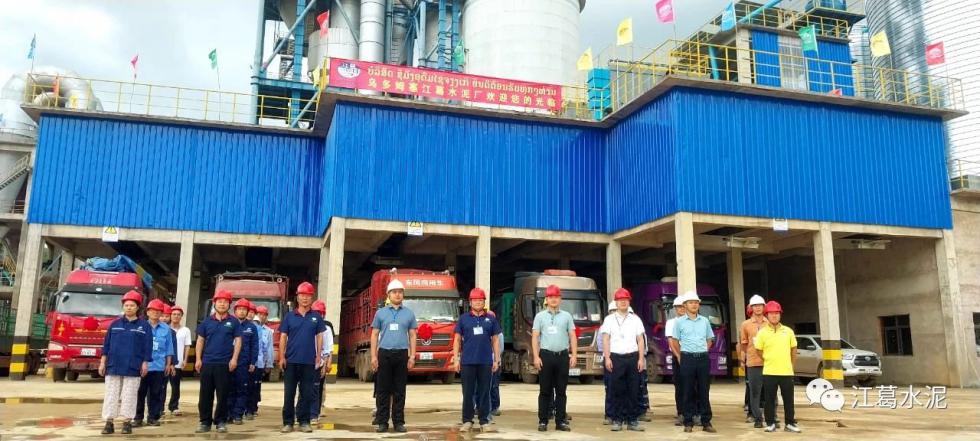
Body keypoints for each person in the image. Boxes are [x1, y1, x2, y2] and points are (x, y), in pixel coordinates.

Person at [99, 291, 151, 435]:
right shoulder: (114, 324)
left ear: (137, 307)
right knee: (111, 394)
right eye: (126, 305)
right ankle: (109, 422)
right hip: (113, 365)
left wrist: (145, 363)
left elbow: (148, 346)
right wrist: (103, 362)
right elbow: (106, 345)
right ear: (123, 307)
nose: (129, 308)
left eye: (132, 305)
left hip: (133, 365)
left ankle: (127, 422)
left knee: (130, 394)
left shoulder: (144, 326)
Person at [370, 279, 418, 433]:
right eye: (394, 292)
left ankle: (398, 422)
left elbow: (412, 335)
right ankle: (382, 422)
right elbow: (374, 335)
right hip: (384, 353)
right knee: (383, 390)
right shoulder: (380, 313)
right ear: (388, 295)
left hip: (402, 354)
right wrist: (373, 356)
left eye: (400, 292)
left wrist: (412, 356)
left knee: (399, 390)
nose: (397, 295)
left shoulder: (409, 314)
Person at [279, 282, 326, 433]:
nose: (305, 298)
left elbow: (320, 337)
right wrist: (281, 357)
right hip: (291, 361)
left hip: (309, 361)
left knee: (306, 394)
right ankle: (288, 422)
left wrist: (318, 355)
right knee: (289, 394)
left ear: (312, 298)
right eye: (302, 295)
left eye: (308, 296)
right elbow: (283, 337)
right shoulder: (289, 317)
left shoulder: (316, 317)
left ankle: (304, 421)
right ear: (297, 297)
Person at [453, 288, 501, 432]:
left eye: (481, 300)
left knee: (484, 391)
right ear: (470, 302)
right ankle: (467, 420)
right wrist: (456, 359)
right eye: (475, 300)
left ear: (484, 302)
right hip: (467, 361)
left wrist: (496, 359)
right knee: (467, 392)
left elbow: (495, 340)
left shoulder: (491, 319)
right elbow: (457, 340)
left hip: (485, 361)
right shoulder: (463, 319)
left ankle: (484, 421)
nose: (478, 302)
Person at [194, 290, 242, 434]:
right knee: (205, 394)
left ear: (229, 305)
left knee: (223, 395)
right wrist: (198, 359)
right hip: (207, 363)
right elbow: (200, 341)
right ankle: (205, 422)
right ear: (214, 303)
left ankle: (221, 421)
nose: (222, 304)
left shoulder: (234, 322)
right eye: (219, 301)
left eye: (225, 302)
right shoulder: (206, 322)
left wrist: (234, 359)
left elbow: (238, 341)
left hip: (225, 364)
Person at [600, 288, 646, 432]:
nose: (623, 302)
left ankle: (632, 420)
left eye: (625, 300)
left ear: (629, 301)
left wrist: (641, 359)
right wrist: (607, 358)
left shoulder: (635, 319)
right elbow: (605, 339)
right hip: (616, 357)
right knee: (616, 389)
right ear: (616, 302)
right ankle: (617, 420)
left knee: (634, 389)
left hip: (632, 357)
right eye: (620, 300)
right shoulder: (609, 320)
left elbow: (640, 340)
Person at [531, 285, 576, 432]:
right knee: (545, 390)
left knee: (561, 391)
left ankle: (560, 421)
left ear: (560, 299)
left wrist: (574, 355)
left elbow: (572, 336)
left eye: (556, 297)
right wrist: (536, 357)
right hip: (546, 356)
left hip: (562, 356)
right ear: (547, 299)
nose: (554, 299)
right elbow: (535, 337)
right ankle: (543, 421)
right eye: (551, 297)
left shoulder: (567, 316)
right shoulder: (540, 317)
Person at [754, 301, 802, 433]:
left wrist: (791, 366)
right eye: (771, 313)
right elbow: (759, 350)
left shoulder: (788, 331)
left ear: (780, 315)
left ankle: (790, 423)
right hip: (769, 372)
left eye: (776, 313)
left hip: (786, 372)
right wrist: (768, 359)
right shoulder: (762, 333)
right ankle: (770, 423)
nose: (774, 316)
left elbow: (793, 350)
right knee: (769, 400)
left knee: (789, 400)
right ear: (767, 315)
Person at [674, 291, 716, 433]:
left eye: (696, 302)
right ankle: (688, 421)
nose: (694, 305)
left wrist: (704, 349)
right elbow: (675, 341)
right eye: (691, 302)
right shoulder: (679, 322)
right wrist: (681, 355)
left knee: (704, 390)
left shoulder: (704, 321)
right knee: (687, 390)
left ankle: (706, 421)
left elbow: (710, 339)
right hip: (687, 358)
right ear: (685, 305)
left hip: (703, 358)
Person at [134, 299, 174, 428]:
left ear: (161, 313)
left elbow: (169, 348)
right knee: (140, 393)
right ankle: (138, 417)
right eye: (153, 311)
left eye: (158, 311)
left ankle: (153, 417)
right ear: (147, 312)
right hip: (142, 366)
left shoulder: (166, 329)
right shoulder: (141, 326)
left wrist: (168, 364)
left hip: (159, 366)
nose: (155, 313)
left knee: (156, 393)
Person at [229, 299, 259, 425]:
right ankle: (228, 414)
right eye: (239, 309)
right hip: (228, 362)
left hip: (244, 363)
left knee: (242, 389)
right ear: (235, 310)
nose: (241, 311)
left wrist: (253, 362)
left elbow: (255, 345)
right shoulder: (229, 324)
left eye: (244, 309)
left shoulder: (251, 327)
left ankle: (238, 415)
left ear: (247, 312)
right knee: (229, 389)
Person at [741, 295, 768, 428]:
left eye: (760, 305)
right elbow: (743, 343)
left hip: (769, 362)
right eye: (755, 306)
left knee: (769, 391)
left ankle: (771, 415)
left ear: (764, 307)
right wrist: (743, 359)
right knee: (754, 391)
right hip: (752, 361)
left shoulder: (769, 323)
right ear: (751, 308)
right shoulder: (745, 324)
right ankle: (754, 416)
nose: (758, 308)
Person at [665, 294, 688, 426]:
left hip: (692, 355)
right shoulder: (671, 323)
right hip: (678, 356)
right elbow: (671, 342)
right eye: (679, 307)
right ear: (675, 308)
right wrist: (678, 356)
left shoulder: (693, 320)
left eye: (683, 306)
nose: (681, 309)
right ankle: (681, 413)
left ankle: (695, 413)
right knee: (680, 386)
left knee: (694, 386)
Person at [310, 299, 334, 424]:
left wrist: (327, 363)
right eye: (316, 312)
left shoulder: (327, 328)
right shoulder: (308, 325)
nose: (318, 315)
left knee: (318, 388)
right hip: (307, 361)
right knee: (304, 388)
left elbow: (329, 348)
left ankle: (316, 412)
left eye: (320, 313)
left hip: (320, 363)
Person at [248, 305, 274, 419]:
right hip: (248, 362)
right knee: (246, 385)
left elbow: (269, 348)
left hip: (260, 363)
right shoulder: (248, 328)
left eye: (264, 315)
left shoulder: (268, 331)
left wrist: (269, 363)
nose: (262, 317)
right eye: (260, 314)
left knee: (256, 386)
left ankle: (253, 408)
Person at [168, 305, 192, 417]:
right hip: (164, 362)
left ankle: (174, 406)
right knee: (161, 386)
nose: (176, 316)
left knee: (175, 386)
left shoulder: (185, 330)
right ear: (170, 315)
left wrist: (185, 360)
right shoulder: (165, 329)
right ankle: (159, 408)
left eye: (178, 314)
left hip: (178, 362)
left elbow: (187, 346)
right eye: (174, 314)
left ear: (181, 316)